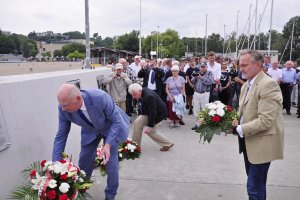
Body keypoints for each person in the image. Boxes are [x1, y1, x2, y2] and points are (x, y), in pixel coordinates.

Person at [52, 84, 130, 200]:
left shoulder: (100, 97)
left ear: (78, 98)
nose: (62, 109)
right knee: (84, 160)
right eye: (61, 105)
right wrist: (55, 165)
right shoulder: (63, 108)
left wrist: (107, 145)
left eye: (65, 105)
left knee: (111, 162)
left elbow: (116, 121)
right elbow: (61, 136)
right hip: (90, 132)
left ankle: (110, 195)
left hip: (110, 128)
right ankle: (81, 191)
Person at [233, 50, 284, 200]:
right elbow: (241, 113)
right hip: (248, 141)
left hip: (262, 143)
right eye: (240, 65)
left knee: (254, 187)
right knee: (256, 184)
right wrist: (223, 122)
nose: (241, 68)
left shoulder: (268, 84)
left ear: (258, 65)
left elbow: (266, 120)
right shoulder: (246, 85)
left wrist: (238, 129)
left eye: (244, 65)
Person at [128, 83, 174, 151]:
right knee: (137, 122)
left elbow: (153, 112)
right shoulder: (140, 91)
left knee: (150, 131)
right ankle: (135, 145)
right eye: (132, 95)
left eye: (134, 95)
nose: (133, 97)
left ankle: (168, 144)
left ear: (140, 91)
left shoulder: (149, 96)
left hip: (159, 114)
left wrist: (149, 126)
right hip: (148, 112)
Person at [191, 62, 214, 130]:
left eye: (204, 67)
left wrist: (200, 77)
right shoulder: (197, 72)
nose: (202, 68)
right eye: (201, 67)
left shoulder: (210, 73)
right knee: (196, 109)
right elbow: (192, 81)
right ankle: (198, 124)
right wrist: (195, 76)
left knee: (204, 109)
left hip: (205, 93)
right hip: (196, 92)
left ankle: (204, 125)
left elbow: (210, 82)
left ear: (206, 67)